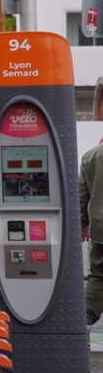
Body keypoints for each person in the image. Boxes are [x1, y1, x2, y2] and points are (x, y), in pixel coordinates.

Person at [79, 139, 103, 326]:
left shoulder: (90, 156)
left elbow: (82, 194)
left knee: (98, 276)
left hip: (99, 229)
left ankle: (83, 321)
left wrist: (83, 223)